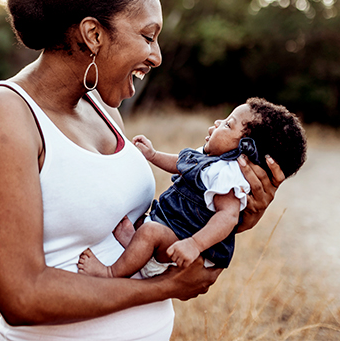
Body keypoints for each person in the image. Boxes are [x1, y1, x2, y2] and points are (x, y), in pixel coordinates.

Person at [0, 0, 285, 341]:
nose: (157, 56)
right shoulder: (3, 115)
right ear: (93, 34)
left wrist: (228, 215)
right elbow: (22, 297)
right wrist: (164, 289)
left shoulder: (102, 107)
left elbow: (142, 227)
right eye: (148, 36)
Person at [77, 98, 307, 280]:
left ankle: (111, 272)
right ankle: (136, 246)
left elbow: (227, 217)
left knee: (151, 233)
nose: (217, 123)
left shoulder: (228, 177)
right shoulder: (210, 161)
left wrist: (194, 245)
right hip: (173, 228)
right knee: (144, 225)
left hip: (183, 244)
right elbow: (180, 164)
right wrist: (153, 155)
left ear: (246, 150)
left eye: (228, 125)